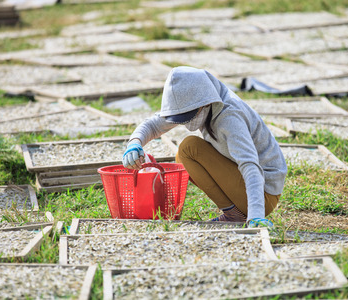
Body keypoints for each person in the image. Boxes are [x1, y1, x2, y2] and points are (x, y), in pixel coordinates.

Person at [122, 66, 287, 227]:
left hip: (263, 194)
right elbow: (153, 125)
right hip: (247, 185)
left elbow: (250, 165)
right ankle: (234, 215)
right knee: (183, 154)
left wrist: (256, 215)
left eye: (187, 116)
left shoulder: (229, 118)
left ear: (205, 103)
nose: (185, 122)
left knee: (189, 148)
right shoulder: (204, 100)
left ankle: (239, 214)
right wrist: (135, 143)